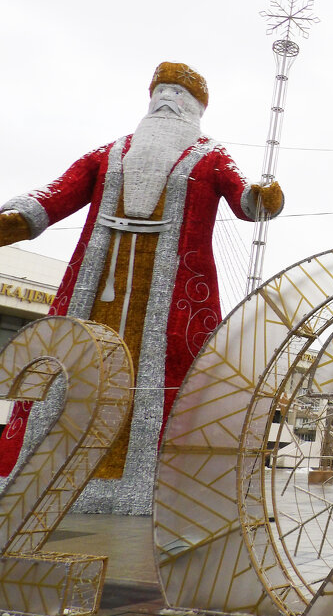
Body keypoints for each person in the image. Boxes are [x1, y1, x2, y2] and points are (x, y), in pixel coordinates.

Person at [0, 62, 283, 492]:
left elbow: (245, 199)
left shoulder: (211, 157)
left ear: (196, 108)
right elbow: (58, 191)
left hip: (176, 294)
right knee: (68, 363)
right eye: (160, 91)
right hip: (95, 284)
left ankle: (163, 484)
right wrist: (21, 217)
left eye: (178, 94)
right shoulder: (110, 153)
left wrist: (262, 197)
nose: (167, 100)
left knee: (179, 373)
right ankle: (42, 477)